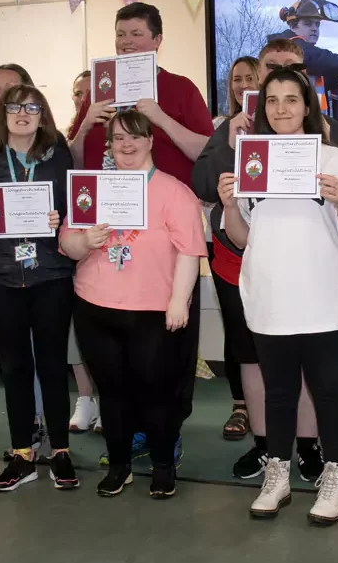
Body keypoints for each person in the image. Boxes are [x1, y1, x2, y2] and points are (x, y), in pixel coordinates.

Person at [192, 38, 338, 482]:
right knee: (278, 393)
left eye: (291, 99)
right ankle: (277, 474)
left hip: (323, 297)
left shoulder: (334, 159)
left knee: (327, 389)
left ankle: (335, 477)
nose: (281, 108)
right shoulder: (251, 162)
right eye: (271, 100)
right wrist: (230, 205)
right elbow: (243, 237)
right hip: (269, 295)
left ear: (306, 105)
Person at [72, 2, 214, 458]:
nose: (127, 42)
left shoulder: (178, 89)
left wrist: (159, 118)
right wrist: (82, 128)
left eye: (136, 34)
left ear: (157, 40)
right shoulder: (99, 92)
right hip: (107, 248)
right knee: (116, 358)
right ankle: (128, 428)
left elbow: (207, 154)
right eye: (120, 34)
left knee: (166, 353)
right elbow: (74, 166)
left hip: (165, 245)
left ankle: (166, 432)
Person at [60, 110, 205, 499]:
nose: (126, 145)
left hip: (153, 311)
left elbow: (190, 252)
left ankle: (162, 465)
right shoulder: (91, 188)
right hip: (95, 306)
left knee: (157, 392)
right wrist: (84, 242)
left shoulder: (174, 192)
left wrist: (179, 302)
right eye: (118, 138)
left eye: (135, 137)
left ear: (150, 141)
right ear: (108, 145)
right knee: (113, 391)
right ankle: (120, 465)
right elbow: (67, 244)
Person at [0, 84, 79, 492]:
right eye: (14, 106)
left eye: (32, 107)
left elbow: (74, 212)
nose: (22, 113)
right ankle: (22, 454)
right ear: (3, 114)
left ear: (42, 114)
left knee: (52, 365)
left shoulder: (60, 157)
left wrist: (60, 219)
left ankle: (61, 452)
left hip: (50, 274)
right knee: (13, 367)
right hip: (0, 277)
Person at [213, 56, 260, 441]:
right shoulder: (220, 127)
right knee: (237, 329)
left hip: (273, 248)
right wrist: (229, 145)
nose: (242, 84)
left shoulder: (283, 127)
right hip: (230, 249)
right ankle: (241, 407)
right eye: (236, 78)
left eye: (251, 77)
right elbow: (202, 181)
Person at [64, 69, 100, 433]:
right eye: (78, 93)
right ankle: (84, 398)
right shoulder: (64, 137)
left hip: (109, 238)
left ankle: (106, 400)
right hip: (74, 236)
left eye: (90, 93)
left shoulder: (114, 134)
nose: (83, 99)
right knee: (76, 324)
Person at [269, 0, 338, 102]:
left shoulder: (311, 63)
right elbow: (320, 58)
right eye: (307, 24)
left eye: (317, 24)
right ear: (293, 27)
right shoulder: (286, 48)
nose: (314, 28)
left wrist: (337, 83)